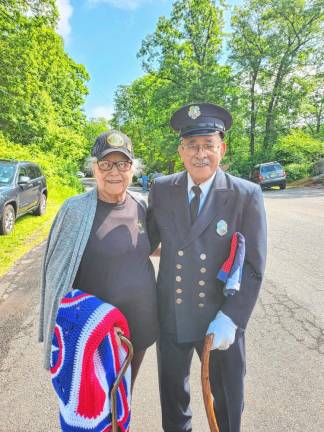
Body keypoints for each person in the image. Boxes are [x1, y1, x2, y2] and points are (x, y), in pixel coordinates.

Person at [147, 103, 267, 432]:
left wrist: (233, 317)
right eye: (193, 146)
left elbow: (254, 265)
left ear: (222, 148)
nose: (201, 154)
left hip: (220, 318)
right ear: (181, 150)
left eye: (208, 146)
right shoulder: (161, 188)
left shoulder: (246, 194)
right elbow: (143, 242)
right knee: (173, 400)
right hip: (172, 314)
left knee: (227, 401)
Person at [39, 129, 158, 388]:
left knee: (123, 396)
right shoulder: (74, 210)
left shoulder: (141, 205)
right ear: (94, 168)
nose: (114, 171)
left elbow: (148, 247)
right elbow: (56, 274)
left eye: (122, 163)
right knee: (90, 403)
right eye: (105, 164)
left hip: (139, 323)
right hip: (90, 328)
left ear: (133, 168)